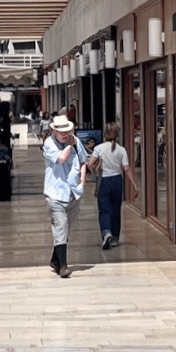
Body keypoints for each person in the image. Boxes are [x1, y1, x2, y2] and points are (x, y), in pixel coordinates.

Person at [42, 113, 88, 278]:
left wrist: (82, 180)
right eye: (61, 131)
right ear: (53, 131)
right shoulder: (49, 143)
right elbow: (61, 158)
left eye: (67, 131)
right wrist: (70, 145)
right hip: (55, 193)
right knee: (61, 226)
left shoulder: (76, 142)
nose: (65, 134)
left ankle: (55, 259)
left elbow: (84, 161)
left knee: (65, 230)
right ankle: (63, 266)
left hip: (73, 193)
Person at [87, 121, 139, 249]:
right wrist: (134, 184)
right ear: (117, 134)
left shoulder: (99, 148)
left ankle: (106, 232)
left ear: (105, 134)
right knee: (116, 210)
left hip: (104, 181)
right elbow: (126, 168)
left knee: (104, 209)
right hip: (117, 181)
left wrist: (95, 169)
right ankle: (115, 238)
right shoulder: (121, 150)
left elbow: (90, 164)